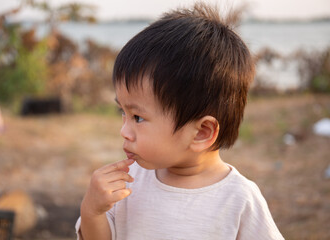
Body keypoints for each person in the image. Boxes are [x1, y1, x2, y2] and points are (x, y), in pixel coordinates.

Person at [76, 2, 284, 240]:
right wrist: (92, 211)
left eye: (138, 117)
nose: (124, 131)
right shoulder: (127, 184)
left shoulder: (239, 200)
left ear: (201, 133)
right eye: (122, 112)